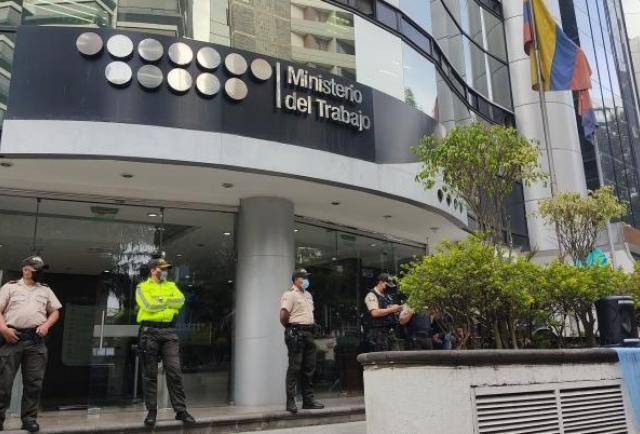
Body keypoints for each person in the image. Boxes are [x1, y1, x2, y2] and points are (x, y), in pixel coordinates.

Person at [0, 256, 62, 432]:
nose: (40, 273)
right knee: (3, 384)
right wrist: (3, 329)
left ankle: (29, 419)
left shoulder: (45, 289)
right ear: (25, 269)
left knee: (34, 384)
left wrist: (46, 325)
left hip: (36, 342)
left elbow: (55, 312)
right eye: (37, 270)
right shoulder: (10, 287)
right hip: (12, 339)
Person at [136, 257, 195, 427]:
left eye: (166, 269)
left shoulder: (171, 286)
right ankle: (151, 412)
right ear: (153, 270)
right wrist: (168, 303)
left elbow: (180, 301)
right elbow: (148, 305)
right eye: (162, 269)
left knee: (174, 371)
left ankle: (181, 411)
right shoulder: (142, 287)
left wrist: (161, 301)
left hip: (169, 332)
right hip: (149, 332)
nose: (165, 272)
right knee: (150, 374)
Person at [280, 268, 324, 414]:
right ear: (296, 279)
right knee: (295, 367)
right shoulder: (289, 294)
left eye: (306, 278)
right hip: (296, 333)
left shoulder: (308, 295)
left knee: (309, 368)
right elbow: (283, 316)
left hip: (308, 333)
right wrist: (292, 328)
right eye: (303, 277)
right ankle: (290, 401)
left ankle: (308, 401)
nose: (306, 280)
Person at [364, 273, 402, 352]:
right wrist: (392, 309)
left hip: (388, 333)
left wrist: (395, 308)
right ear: (381, 282)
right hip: (377, 334)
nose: (389, 287)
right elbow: (375, 313)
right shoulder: (371, 295)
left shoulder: (385, 296)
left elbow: (385, 309)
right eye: (387, 285)